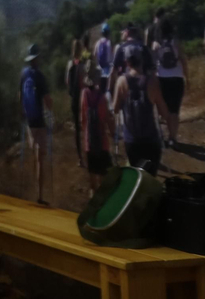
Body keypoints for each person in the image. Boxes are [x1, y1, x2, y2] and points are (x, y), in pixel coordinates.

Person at [111, 52, 165, 172]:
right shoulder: (152, 81)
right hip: (151, 140)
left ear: (127, 63)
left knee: (137, 177)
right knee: (151, 176)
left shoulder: (121, 81)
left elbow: (115, 109)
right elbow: (163, 112)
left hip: (132, 141)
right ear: (142, 62)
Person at [19, 44, 51, 202]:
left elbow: (19, 96)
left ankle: (34, 189)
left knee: (35, 153)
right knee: (40, 157)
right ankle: (40, 195)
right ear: (36, 58)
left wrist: (22, 113)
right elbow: (48, 101)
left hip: (29, 120)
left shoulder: (23, 74)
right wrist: (51, 110)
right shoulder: (39, 76)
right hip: (39, 120)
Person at [78, 62, 114, 195]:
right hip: (102, 142)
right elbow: (107, 119)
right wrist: (113, 132)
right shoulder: (102, 97)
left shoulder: (84, 95)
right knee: (104, 178)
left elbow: (82, 119)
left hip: (89, 143)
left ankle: (94, 203)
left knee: (92, 178)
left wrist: (86, 133)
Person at [151, 17, 187, 145]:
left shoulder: (156, 44)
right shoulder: (175, 41)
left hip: (162, 80)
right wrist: (186, 76)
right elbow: (183, 60)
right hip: (177, 78)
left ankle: (167, 135)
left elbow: (153, 65)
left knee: (164, 109)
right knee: (175, 110)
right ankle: (173, 138)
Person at [64, 39, 85, 169]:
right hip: (83, 99)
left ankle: (80, 158)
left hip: (74, 99)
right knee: (86, 127)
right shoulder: (83, 64)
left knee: (77, 129)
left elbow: (67, 82)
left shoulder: (69, 64)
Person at [93, 23, 114, 91]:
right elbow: (112, 56)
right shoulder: (109, 43)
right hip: (108, 73)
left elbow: (94, 55)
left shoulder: (97, 43)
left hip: (99, 71)